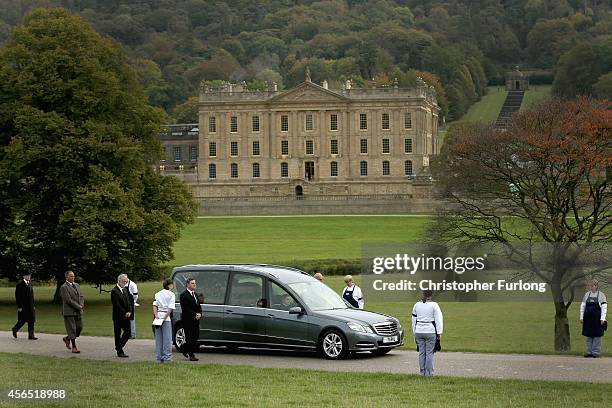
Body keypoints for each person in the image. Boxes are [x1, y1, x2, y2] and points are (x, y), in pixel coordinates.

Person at [412, 289, 443, 377]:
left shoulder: (416, 305)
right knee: (429, 353)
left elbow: (413, 320)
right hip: (430, 331)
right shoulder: (434, 305)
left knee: (421, 353)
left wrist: (414, 332)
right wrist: (439, 333)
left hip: (418, 331)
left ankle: (422, 373)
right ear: (431, 295)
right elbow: (438, 320)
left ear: (423, 294)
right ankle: (429, 374)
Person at [580, 280, 607, 358]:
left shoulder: (601, 295)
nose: (592, 287)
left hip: (597, 319)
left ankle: (596, 352)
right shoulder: (586, 295)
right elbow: (582, 306)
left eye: (594, 285)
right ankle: (589, 352)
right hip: (588, 319)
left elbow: (604, 307)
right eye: (591, 285)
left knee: (597, 336)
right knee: (589, 336)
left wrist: (603, 319)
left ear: (597, 286)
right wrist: (581, 317)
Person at [60, 270, 84, 353]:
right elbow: (68, 300)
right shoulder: (64, 287)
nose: (73, 277)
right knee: (72, 329)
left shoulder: (77, 285)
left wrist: (81, 305)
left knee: (80, 327)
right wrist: (78, 307)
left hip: (78, 311)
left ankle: (67, 338)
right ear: (66, 277)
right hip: (69, 311)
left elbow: (81, 296)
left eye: (73, 276)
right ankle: (74, 347)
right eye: (71, 276)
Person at [153, 278, 175, 363]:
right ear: (169, 285)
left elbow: (154, 305)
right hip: (166, 318)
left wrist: (156, 315)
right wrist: (165, 317)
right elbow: (170, 308)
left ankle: (159, 358)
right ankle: (167, 358)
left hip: (158, 317)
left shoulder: (157, 294)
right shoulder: (171, 294)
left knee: (159, 339)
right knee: (167, 339)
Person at [179, 277, 202, 361]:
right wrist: (194, 314)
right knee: (190, 337)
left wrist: (199, 314)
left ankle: (184, 348)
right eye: (192, 283)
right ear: (188, 284)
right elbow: (185, 308)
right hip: (188, 320)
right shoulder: (183, 295)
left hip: (196, 320)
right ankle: (191, 355)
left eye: (195, 283)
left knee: (196, 336)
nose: (194, 284)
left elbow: (198, 306)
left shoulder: (195, 294)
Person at [111, 274, 133, 358]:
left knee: (128, 333)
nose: (125, 283)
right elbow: (117, 305)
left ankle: (118, 347)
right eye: (124, 281)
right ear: (119, 281)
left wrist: (130, 311)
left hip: (126, 316)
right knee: (117, 333)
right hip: (118, 316)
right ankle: (120, 351)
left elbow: (129, 303)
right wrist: (125, 312)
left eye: (126, 281)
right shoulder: (114, 291)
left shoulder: (125, 290)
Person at [12, 272, 38, 340]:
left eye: (29, 275)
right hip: (23, 306)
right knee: (22, 321)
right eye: (27, 275)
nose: (29, 276)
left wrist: (33, 305)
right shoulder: (19, 285)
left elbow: (32, 296)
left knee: (31, 320)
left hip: (31, 306)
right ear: (24, 276)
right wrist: (19, 307)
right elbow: (17, 296)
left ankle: (31, 335)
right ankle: (15, 329)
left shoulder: (29, 284)